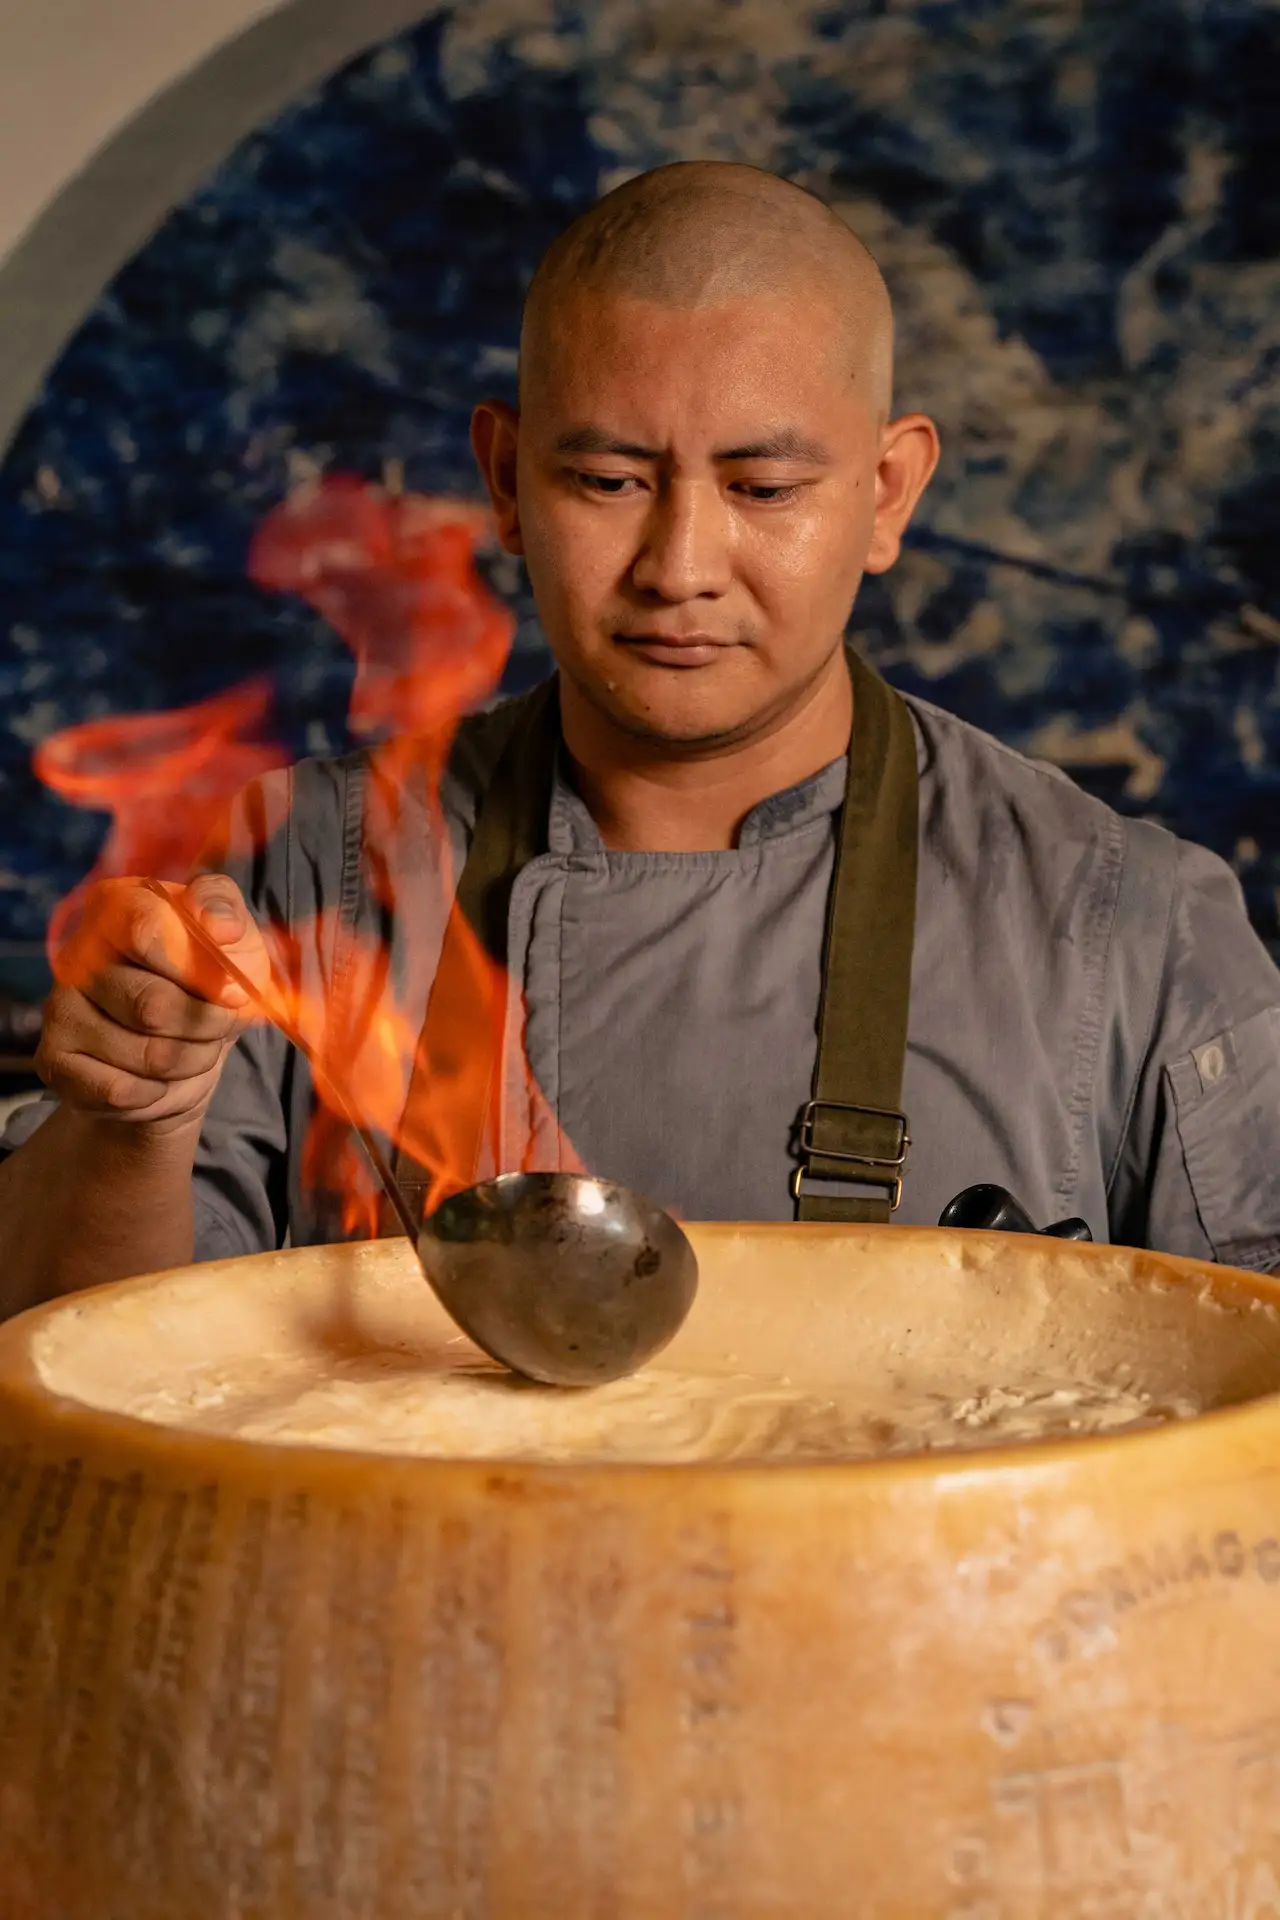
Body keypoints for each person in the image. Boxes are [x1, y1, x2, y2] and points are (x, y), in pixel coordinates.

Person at [2, 160, 1278, 1317]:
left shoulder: (1130, 933)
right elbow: (80, 1385)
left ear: (885, 493)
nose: (678, 567)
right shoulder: (295, 875)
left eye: (763, 489)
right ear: (504, 480)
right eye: (607, 482)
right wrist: (132, 1121)